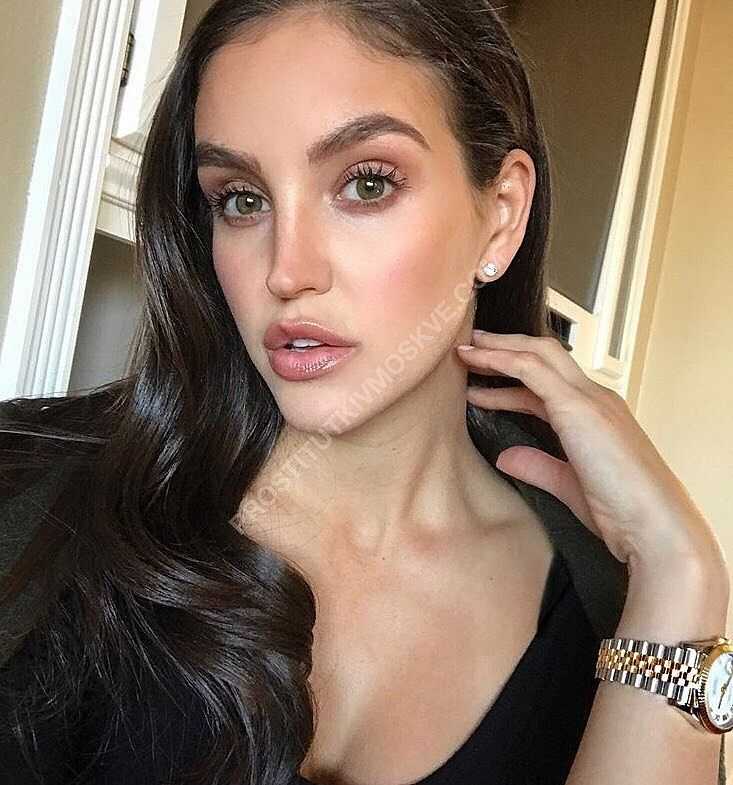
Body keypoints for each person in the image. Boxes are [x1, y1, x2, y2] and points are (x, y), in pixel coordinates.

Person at [0, 1, 725, 784]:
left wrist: (681, 577)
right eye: (241, 198)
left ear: (500, 216)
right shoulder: (29, 488)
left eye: (366, 183)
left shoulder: (602, 607)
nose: (287, 270)